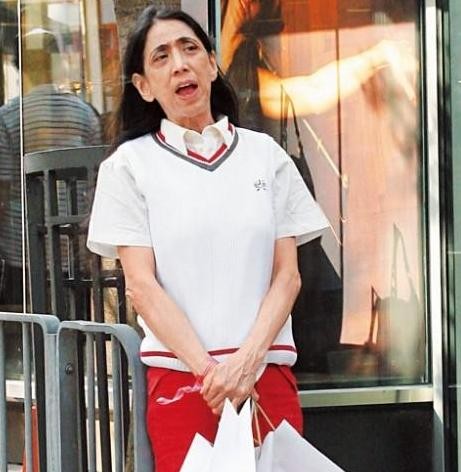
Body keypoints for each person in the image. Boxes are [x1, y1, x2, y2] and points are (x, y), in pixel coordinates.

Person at [87, 6, 329, 472]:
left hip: (265, 377)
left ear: (212, 64)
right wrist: (211, 373)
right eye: (161, 57)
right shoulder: (128, 167)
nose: (180, 64)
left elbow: (288, 276)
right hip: (184, 384)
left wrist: (246, 363)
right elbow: (141, 287)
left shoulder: (266, 156)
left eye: (190, 48)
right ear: (143, 85)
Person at [0, 28, 102, 307]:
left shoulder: (8, 117)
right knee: (77, 322)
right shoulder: (85, 113)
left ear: (18, 66)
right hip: (74, 245)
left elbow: (3, 190)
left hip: (23, 249)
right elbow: (97, 184)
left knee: (29, 323)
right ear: (56, 62)